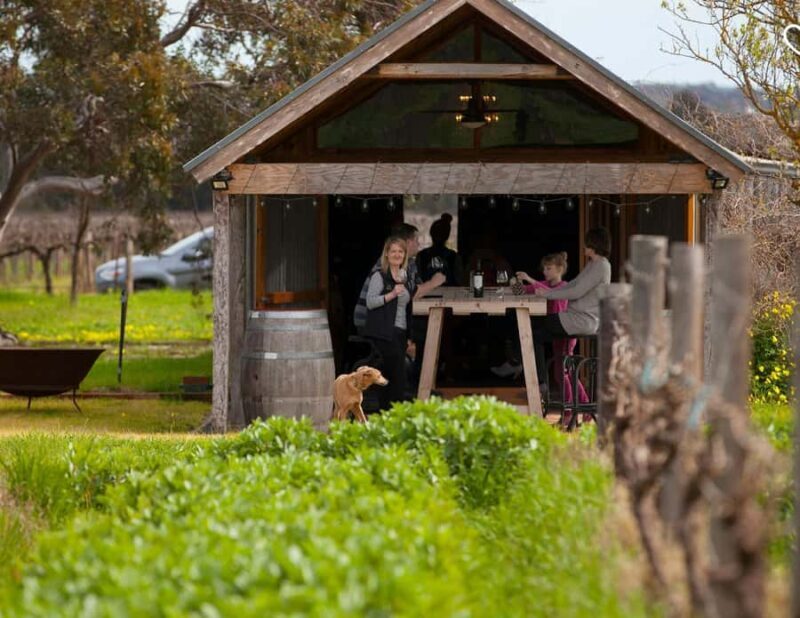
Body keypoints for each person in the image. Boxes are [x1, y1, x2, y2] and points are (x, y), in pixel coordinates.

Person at [521, 228, 612, 396]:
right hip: (574, 318)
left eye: (587, 242)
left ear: (594, 244)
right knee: (531, 332)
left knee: (531, 333)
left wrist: (547, 293)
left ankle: (540, 384)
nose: (584, 246)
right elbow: (573, 284)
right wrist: (545, 291)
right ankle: (541, 383)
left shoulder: (602, 266)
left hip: (581, 320)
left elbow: (576, 292)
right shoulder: (593, 264)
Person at [515, 252, 589, 406]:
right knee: (559, 373)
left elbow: (550, 293)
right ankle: (582, 404)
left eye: (549, 269)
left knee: (564, 373)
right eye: (544, 269)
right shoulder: (547, 285)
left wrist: (531, 279)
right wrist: (515, 286)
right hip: (555, 331)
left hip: (565, 333)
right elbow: (529, 289)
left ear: (560, 269)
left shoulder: (564, 287)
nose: (545, 272)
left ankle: (572, 407)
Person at [353, 223, 445, 334]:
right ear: (407, 243)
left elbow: (417, 288)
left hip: (386, 320)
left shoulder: (409, 262)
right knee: (421, 332)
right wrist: (433, 282)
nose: (419, 243)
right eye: (416, 240)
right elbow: (413, 293)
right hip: (370, 322)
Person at [363, 237, 413, 411]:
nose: (397, 254)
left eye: (401, 251)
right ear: (387, 254)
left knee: (391, 374)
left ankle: (386, 412)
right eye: (393, 251)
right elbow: (370, 302)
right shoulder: (380, 276)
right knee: (398, 375)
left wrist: (409, 337)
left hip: (400, 332)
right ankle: (393, 413)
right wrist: (391, 294)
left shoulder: (404, 276)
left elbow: (405, 308)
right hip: (385, 332)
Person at [417, 214, 462, 286]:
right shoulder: (453, 257)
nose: (439, 237)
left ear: (431, 234)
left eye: (440, 234)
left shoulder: (422, 255)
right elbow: (459, 281)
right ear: (447, 236)